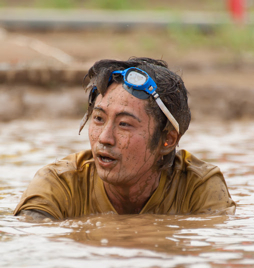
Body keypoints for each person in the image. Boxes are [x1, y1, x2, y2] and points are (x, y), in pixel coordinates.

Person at [14, 57, 235, 220]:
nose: (104, 138)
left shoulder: (198, 187)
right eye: (99, 118)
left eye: (124, 124)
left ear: (167, 140)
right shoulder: (58, 185)